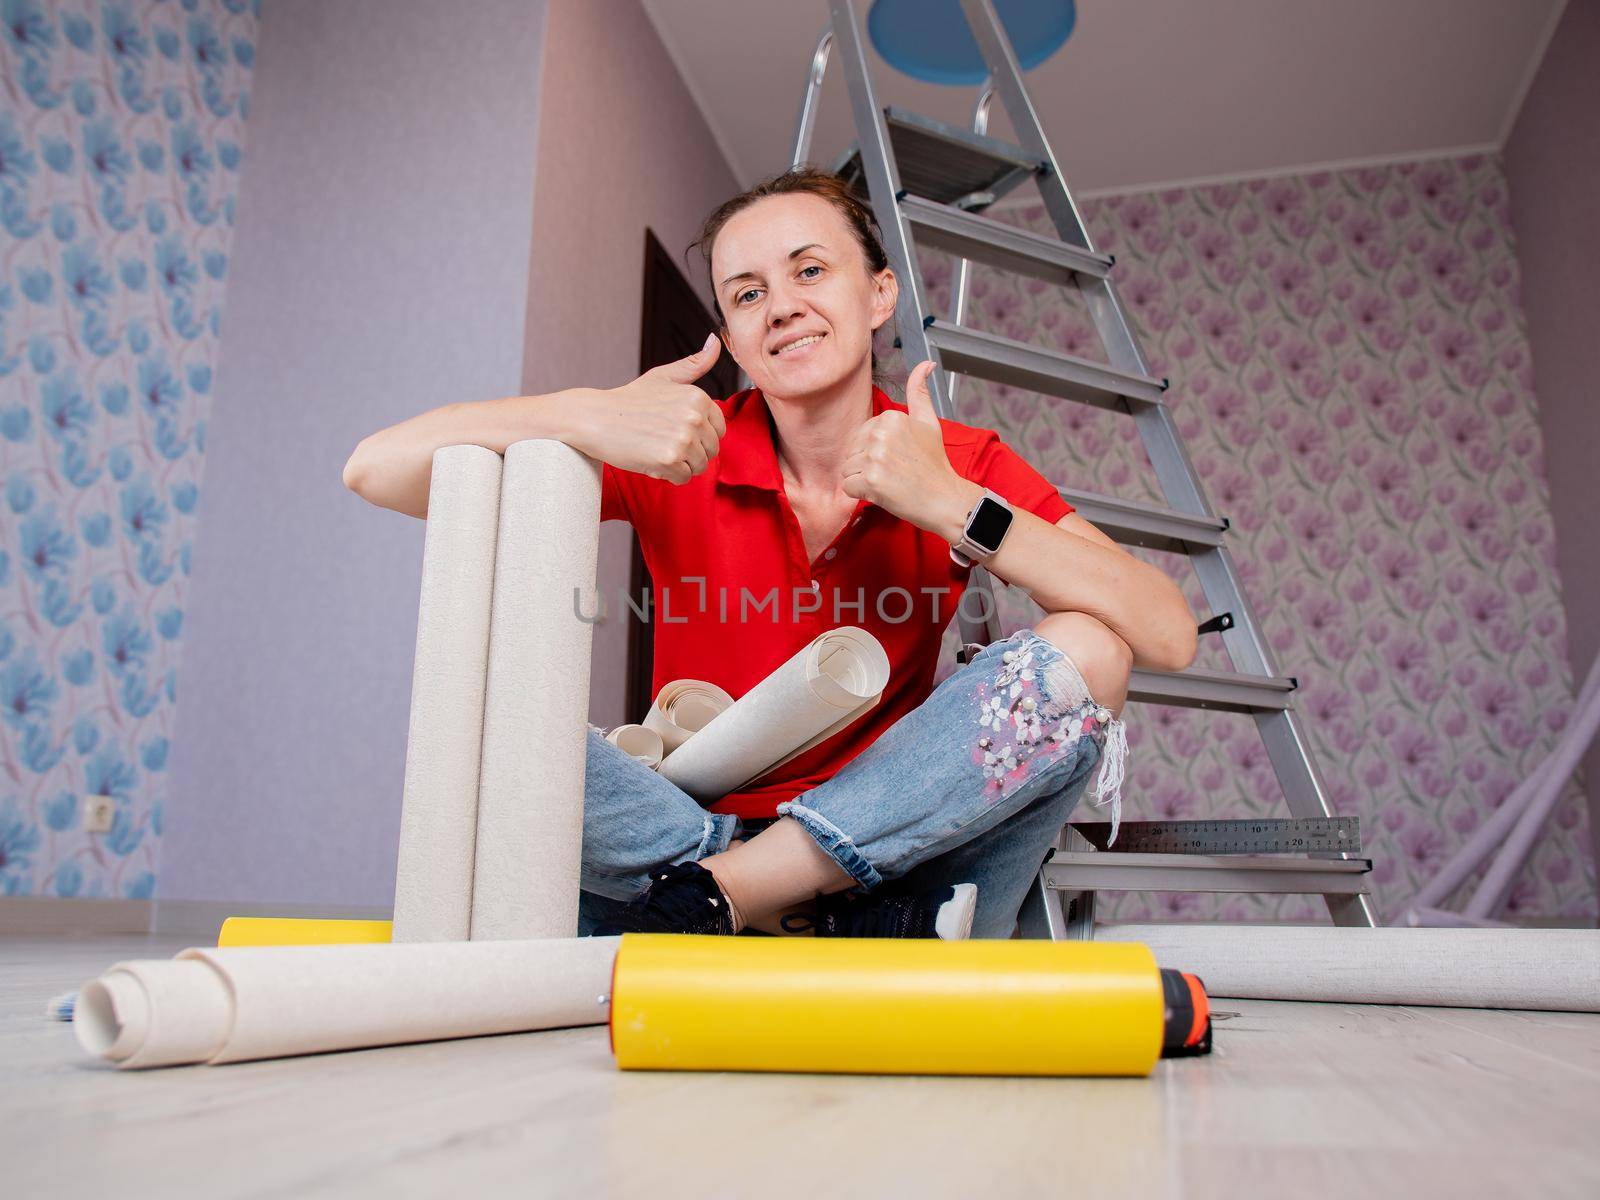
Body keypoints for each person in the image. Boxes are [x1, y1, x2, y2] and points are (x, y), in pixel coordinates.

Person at [343, 167, 1197, 940]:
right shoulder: (683, 451)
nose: (780, 305)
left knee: (1086, 650)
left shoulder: (955, 461)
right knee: (487, 696)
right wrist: (583, 413)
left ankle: (743, 892)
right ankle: (782, 905)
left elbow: (1164, 633)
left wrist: (950, 503)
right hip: (687, 845)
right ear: (734, 335)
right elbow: (375, 468)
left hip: (896, 854)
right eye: (746, 294)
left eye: (810, 270)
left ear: (879, 294)